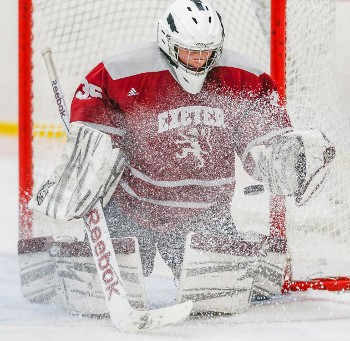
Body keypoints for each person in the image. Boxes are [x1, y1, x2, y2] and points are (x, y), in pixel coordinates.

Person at [29, 0, 335, 281]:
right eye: (190, 52)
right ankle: (60, 267)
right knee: (96, 292)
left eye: (207, 53)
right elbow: (94, 107)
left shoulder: (242, 78)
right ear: (169, 43)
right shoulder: (125, 72)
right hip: (133, 210)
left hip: (206, 215)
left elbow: (263, 135)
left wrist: (283, 158)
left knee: (226, 296)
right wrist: (90, 156)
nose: (199, 61)